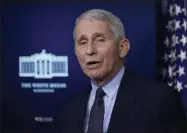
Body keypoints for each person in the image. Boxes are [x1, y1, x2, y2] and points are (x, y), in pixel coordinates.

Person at [61, 9, 186, 133]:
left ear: (122, 48)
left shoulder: (159, 101)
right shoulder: (69, 110)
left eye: (99, 40)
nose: (90, 50)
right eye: (83, 42)